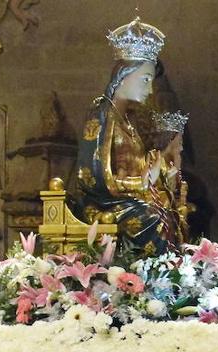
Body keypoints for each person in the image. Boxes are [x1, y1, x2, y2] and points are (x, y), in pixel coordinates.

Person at [70, 17, 180, 255]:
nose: (149, 90)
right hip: (103, 203)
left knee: (170, 211)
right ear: (123, 76)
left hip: (127, 201)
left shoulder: (128, 122)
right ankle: (153, 282)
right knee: (153, 219)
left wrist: (160, 173)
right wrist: (142, 184)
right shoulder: (101, 114)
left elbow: (137, 170)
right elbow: (92, 178)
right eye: (146, 79)